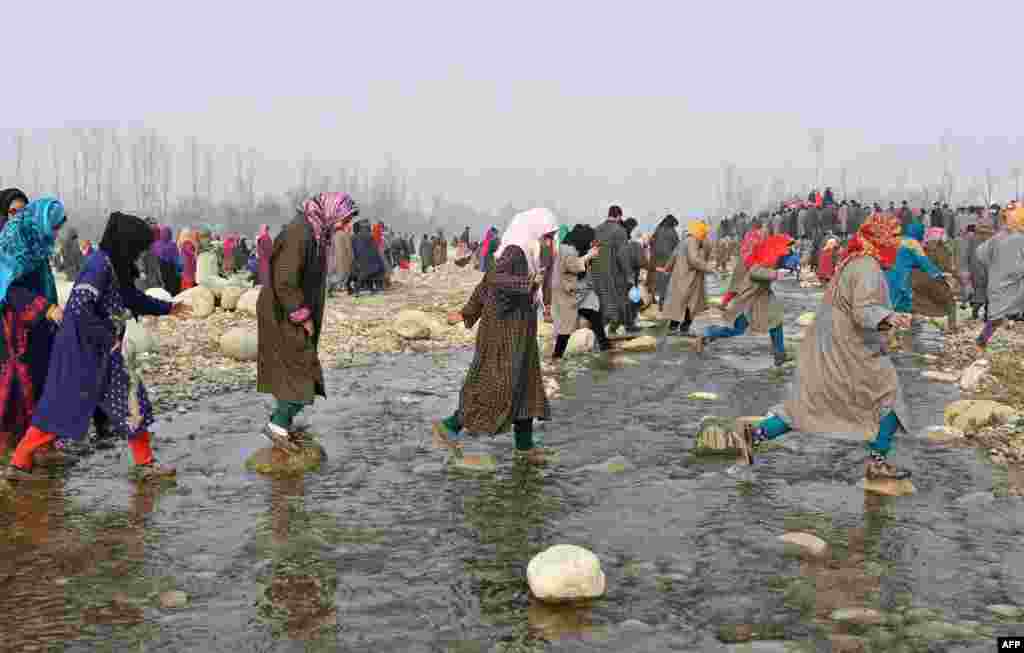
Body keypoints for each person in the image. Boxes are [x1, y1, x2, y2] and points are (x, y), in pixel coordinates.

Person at [7, 211, 189, 481]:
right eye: (138, 248)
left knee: (131, 399)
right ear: (126, 243)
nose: (139, 255)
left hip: (105, 351)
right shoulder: (98, 266)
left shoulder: (114, 264)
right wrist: (109, 338)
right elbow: (79, 309)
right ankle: (19, 462)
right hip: (82, 350)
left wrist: (168, 308)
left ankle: (145, 464)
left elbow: (131, 297)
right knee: (62, 405)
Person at [742, 213, 914, 482]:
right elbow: (863, 310)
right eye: (893, 236)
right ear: (880, 238)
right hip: (853, 350)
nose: (896, 241)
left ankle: (756, 434)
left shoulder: (854, 261)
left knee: (809, 405)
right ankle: (877, 462)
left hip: (831, 347)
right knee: (890, 396)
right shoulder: (868, 266)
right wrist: (889, 317)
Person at [432, 208, 558, 464]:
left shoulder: (525, 254)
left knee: (527, 386)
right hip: (504, 332)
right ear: (533, 232)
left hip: (520, 330)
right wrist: (528, 285)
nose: (549, 243)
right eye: (547, 237)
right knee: (494, 385)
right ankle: (450, 426)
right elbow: (498, 280)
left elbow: (486, 283)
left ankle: (525, 446)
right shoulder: (516, 251)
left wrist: (467, 313)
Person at [257, 193, 358, 449]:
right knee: (302, 367)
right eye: (344, 221)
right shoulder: (299, 233)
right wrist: (301, 315)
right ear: (332, 213)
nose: (346, 227)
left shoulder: (315, 232)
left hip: (291, 311)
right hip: (283, 312)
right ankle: (277, 425)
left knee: (295, 367)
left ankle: (282, 420)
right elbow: (284, 280)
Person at [0, 198, 66, 457]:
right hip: (14, 329)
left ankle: (36, 443)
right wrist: (44, 308)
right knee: (18, 385)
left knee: (42, 378)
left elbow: (45, 282)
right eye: (54, 225)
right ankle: (16, 449)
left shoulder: (37, 243)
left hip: (38, 325)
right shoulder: (11, 245)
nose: (56, 232)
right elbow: (8, 289)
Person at [701, 233, 795, 367]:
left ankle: (780, 355)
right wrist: (776, 274)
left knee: (775, 321)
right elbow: (754, 271)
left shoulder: (773, 255)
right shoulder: (766, 255)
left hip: (762, 296)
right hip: (750, 298)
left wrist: (785, 269)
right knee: (738, 329)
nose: (789, 250)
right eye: (788, 247)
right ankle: (710, 333)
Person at [551, 224, 607, 358]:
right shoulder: (567, 249)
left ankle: (605, 345)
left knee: (594, 315)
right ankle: (557, 357)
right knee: (566, 329)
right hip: (567, 292)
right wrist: (589, 255)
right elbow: (574, 266)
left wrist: (590, 255)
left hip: (579, 291)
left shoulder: (573, 247)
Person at [975, 207, 1024, 351]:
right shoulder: (1020, 239)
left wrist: (993, 266)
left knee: (997, 316)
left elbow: (980, 254)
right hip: (1013, 283)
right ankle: (981, 341)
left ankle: (982, 340)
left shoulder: (999, 236)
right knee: (1001, 315)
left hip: (997, 281)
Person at [661, 220, 713, 337]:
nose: (705, 236)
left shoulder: (685, 241)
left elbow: (673, 256)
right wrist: (709, 268)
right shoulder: (693, 241)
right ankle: (683, 328)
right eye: (704, 234)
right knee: (690, 304)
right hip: (689, 278)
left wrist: (667, 268)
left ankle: (674, 328)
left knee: (680, 304)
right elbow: (693, 260)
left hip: (681, 277)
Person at [592, 205, 631, 333]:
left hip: (596, 273)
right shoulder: (620, 231)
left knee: (602, 300)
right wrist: (629, 274)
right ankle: (615, 329)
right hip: (614, 272)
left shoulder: (597, 229)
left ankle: (601, 330)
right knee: (619, 300)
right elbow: (623, 255)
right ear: (619, 216)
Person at [648, 215, 679, 308]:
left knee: (657, 280)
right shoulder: (672, 232)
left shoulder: (658, 229)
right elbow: (677, 246)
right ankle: (663, 303)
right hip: (668, 260)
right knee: (666, 282)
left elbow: (651, 242)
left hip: (656, 259)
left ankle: (654, 299)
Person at [153, 226, 181, 296]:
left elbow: (154, 257)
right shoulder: (173, 244)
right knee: (172, 288)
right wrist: (179, 270)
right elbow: (177, 258)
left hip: (160, 268)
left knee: (163, 287)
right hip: (171, 269)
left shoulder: (156, 244)